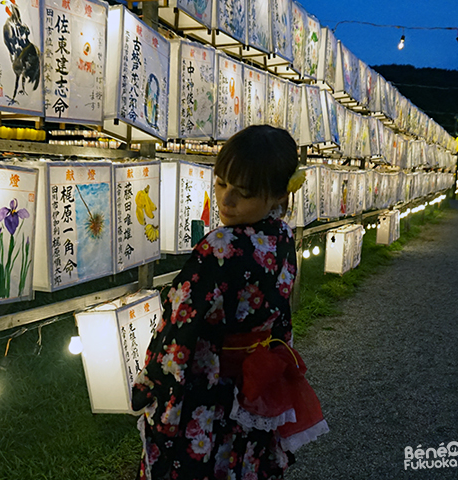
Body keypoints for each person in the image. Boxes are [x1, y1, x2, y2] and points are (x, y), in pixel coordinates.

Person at [132, 125, 328, 480]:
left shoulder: (220, 247)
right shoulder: (282, 238)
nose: (226, 200)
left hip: (207, 383)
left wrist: (152, 382)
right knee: (241, 463)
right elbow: (281, 312)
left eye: (243, 193)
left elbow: (180, 327)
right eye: (221, 183)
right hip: (254, 386)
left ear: (279, 196)